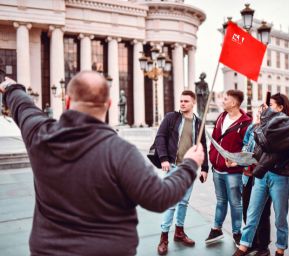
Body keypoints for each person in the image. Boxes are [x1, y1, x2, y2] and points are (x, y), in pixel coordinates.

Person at [0, 71, 204, 256]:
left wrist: (11, 89)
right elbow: (160, 197)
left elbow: (24, 107)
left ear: (68, 101)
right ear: (109, 104)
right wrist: (190, 164)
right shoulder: (122, 153)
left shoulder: (41, 135)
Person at [232, 93, 289, 256]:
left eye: (270, 105)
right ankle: (244, 245)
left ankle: (280, 249)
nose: (265, 109)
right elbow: (247, 147)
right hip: (259, 174)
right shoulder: (255, 127)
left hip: (279, 175)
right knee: (252, 212)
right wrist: (238, 158)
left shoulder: (287, 125)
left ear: (280, 108)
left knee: (280, 216)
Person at [155, 90, 209, 255]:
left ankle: (179, 232)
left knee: (184, 202)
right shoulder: (172, 118)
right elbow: (160, 137)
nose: (182, 103)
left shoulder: (199, 123)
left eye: (186, 101)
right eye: (181, 101)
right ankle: (164, 237)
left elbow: (203, 146)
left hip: (190, 168)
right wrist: (164, 158)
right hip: (172, 166)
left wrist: (205, 168)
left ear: (193, 103)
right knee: (171, 203)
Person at [205, 89, 251, 246]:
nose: (222, 101)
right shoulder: (221, 117)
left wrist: (237, 162)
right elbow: (215, 140)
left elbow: (248, 149)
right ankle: (216, 229)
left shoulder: (246, 123)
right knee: (220, 201)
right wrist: (212, 157)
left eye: (225, 99)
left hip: (234, 173)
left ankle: (237, 233)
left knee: (235, 203)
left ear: (233, 103)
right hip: (217, 169)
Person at [237, 119, 272, 256]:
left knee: (263, 212)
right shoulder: (252, 127)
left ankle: (263, 247)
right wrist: (240, 157)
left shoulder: (273, 128)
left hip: (262, 175)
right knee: (247, 209)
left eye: (265, 107)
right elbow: (245, 145)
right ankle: (251, 243)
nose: (261, 111)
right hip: (248, 174)